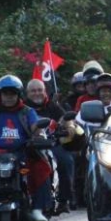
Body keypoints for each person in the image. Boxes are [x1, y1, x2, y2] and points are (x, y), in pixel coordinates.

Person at [0, 75, 49, 221]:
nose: (9, 97)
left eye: (12, 93)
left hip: (22, 155)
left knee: (42, 168)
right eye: (5, 93)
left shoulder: (28, 112)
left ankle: (38, 209)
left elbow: (35, 128)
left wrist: (39, 134)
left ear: (18, 94)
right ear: (0, 95)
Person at [25, 79, 85, 214]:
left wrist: (69, 126)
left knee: (66, 161)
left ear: (45, 91)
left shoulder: (52, 106)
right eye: (33, 91)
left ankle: (64, 199)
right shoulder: (24, 108)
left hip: (51, 144)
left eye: (40, 90)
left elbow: (65, 118)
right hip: (30, 146)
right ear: (27, 93)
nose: (37, 93)